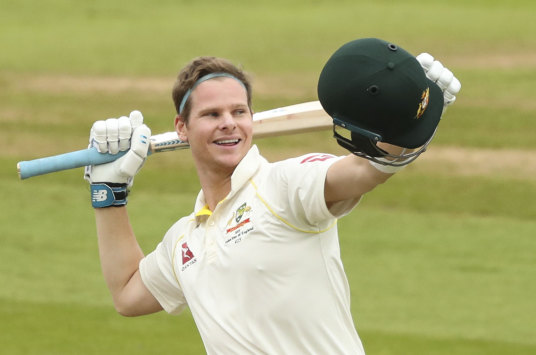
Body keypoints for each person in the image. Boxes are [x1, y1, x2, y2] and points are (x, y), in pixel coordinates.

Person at [84, 38, 460, 354]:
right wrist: (108, 193)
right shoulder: (185, 240)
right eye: (212, 114)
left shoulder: (284, 186)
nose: (228, 123)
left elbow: (367, 169)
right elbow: (128, 294)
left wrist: (416, 115)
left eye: (238, 111)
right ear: (181, 128)